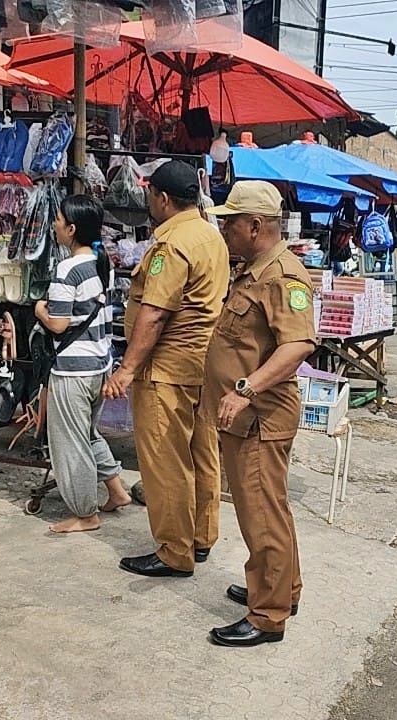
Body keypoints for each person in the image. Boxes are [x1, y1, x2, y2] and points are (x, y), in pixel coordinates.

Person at [201, 181, 317, 647]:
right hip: (246, 414)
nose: (225, 229)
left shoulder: (282, 276)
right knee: (270, 509)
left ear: (256, 225)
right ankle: (280, 589)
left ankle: (267, 616)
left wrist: (245, 389)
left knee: (260, 514)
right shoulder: (253, 271)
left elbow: (298, 345)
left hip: (261, 415)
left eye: (231, 222)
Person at [104, 160, 228, 578]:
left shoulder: (171, 245)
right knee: (202, 452)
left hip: (168, 367)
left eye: (149, 193)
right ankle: (201, 536)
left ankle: (175, 550)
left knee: (165, 460)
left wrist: (126, 369)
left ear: (162, 198)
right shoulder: (211, 236)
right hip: (203, 364)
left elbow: (154, 313)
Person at [35, 194, 133, 534]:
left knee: (69, 442)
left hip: (72, 370)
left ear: (71, 229)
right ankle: (117, 492)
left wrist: (38, 310)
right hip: (99, 365)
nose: (54, 225)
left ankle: (85, 513)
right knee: (87, 433)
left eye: (58, 220)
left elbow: (58, 324)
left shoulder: (67, 269)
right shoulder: (101, 262)